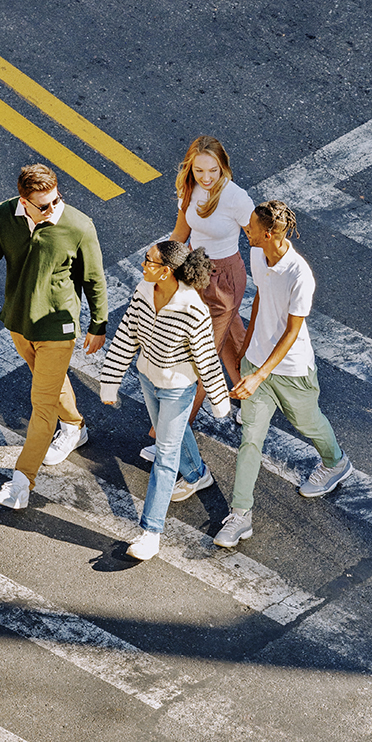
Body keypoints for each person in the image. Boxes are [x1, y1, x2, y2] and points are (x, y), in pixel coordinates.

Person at [0, 162, 107, 510]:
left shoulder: (78, 226)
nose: (53, 209)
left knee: (41, 406)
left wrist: (98, 324)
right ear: (23, 201)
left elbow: (94, 280)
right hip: (19, 324)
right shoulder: (3, 217)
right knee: (49, 383)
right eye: (44, 205)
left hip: (59, 327)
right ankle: (75, 426)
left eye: (56, 200)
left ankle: (21, 484)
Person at [214, 201, 352, 548]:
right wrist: (247, 348)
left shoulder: (299, 274)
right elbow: (261, 293)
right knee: (250, 440)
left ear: (270, 232)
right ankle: (240, 515)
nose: (246, 232)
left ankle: (335, 463)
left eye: (251, 229)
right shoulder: (260, 255)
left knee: (308, 424)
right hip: (258, 364)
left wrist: (260, 374)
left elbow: (292, 332)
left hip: (291, 371)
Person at [99, 240, 230, 561]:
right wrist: (109, 383)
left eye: (149, 262)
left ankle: (150, 532)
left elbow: (206, 358)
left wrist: (218, 399)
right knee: (170, 432)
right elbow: (127, 335)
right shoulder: (144, 291)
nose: (143, 266)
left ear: (167, 271)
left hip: (177, 387)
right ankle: (198, 474)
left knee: (166, 454)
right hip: (147, 377)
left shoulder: (192, 308)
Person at [137, 135, 250, 447]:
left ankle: (168, 436)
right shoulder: (190, 190)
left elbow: (256, 238)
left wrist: (270, 282)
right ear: (191, 168)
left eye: (213, 170)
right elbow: (180, 234)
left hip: (225, 279)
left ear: (223, 166)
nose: (207, 177)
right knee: (227, 337)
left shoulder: (236, 198)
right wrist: (159, 269)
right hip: (194, 271)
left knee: (201, 354)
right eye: (200, 171)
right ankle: (251, 392)